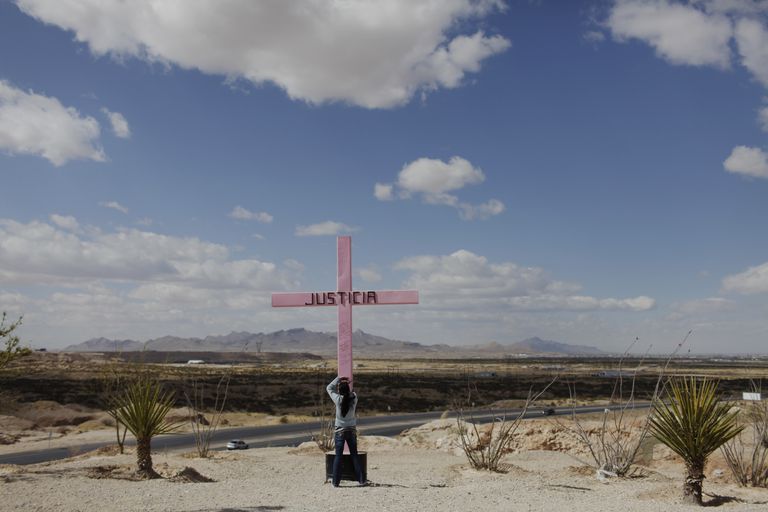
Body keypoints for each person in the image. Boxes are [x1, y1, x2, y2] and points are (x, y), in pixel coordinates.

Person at [326, 376, 366, 486]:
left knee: (338, 456)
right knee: (354, 455)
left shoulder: (338, 399)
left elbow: (329, 388)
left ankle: (335, 482)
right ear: (348, 390)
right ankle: (361, 480)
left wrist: (339, 379)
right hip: (351, 431)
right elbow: (352, 393)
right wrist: (348, 383)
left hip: (339, 431)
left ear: (339, 390)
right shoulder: (354, 398)